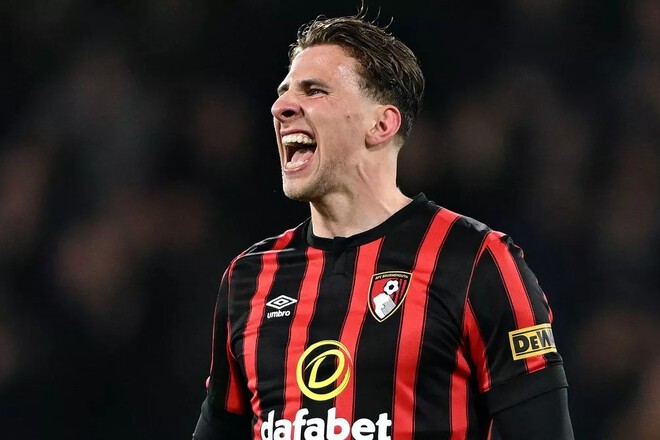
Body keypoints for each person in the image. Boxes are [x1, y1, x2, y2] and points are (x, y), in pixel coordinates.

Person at [192, 9, 574, 440]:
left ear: (381, 124)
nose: (281, 107)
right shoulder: (250, 278)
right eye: (283, 93)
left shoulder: (474, 262)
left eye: (314, 90)